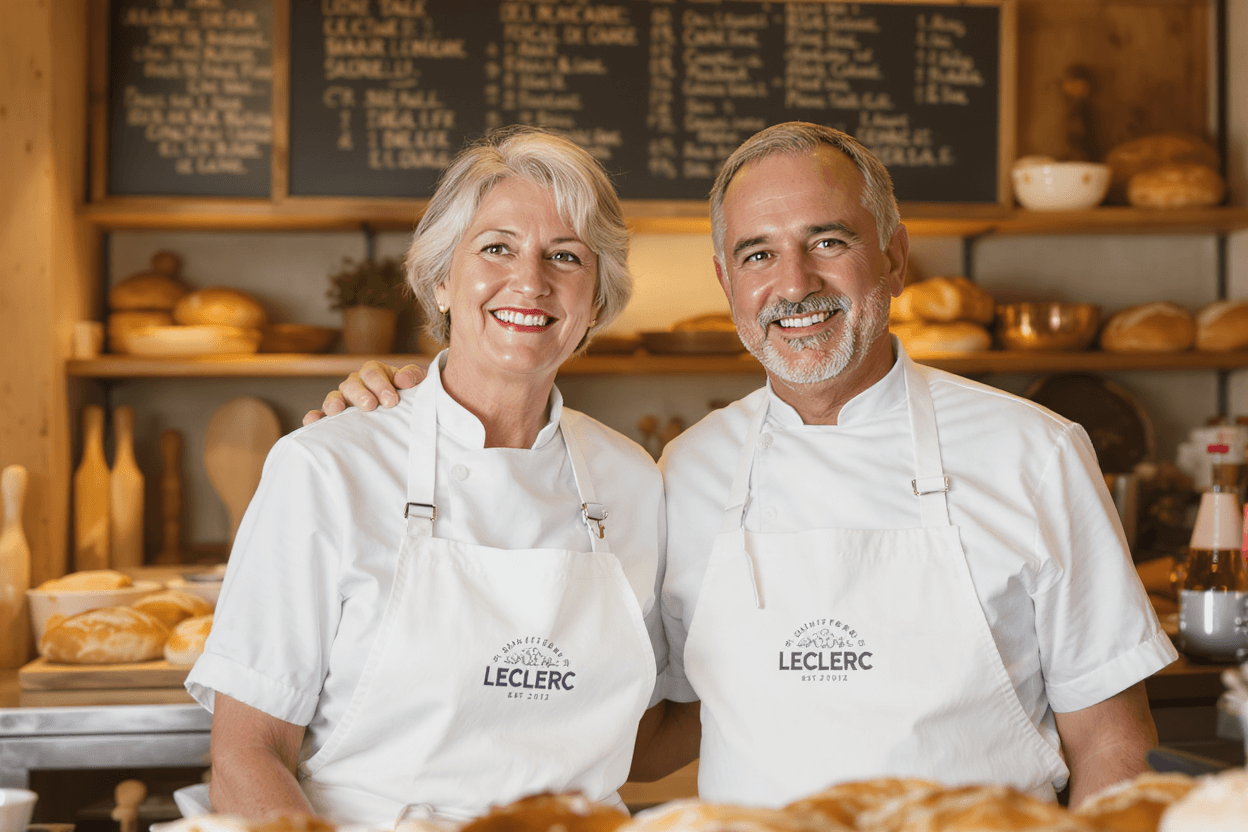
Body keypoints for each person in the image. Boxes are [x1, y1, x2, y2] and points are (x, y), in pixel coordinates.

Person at [309, 122, 1177, 810]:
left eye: (828, 240)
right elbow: (632, 711)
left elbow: (1111, 743)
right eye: (759, 253)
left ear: (895, 256)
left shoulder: (1036, 452)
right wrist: (411, 411)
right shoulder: (682, 472)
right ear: (727, 279)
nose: (793, 282)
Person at [186, 126, 667, 828]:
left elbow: (643, 732)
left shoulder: (633, 481)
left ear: (594, 301)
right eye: (496, 247)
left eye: (566, 256)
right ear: (442, 279)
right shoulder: (326, 466)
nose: (530, 281)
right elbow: (247, 754)